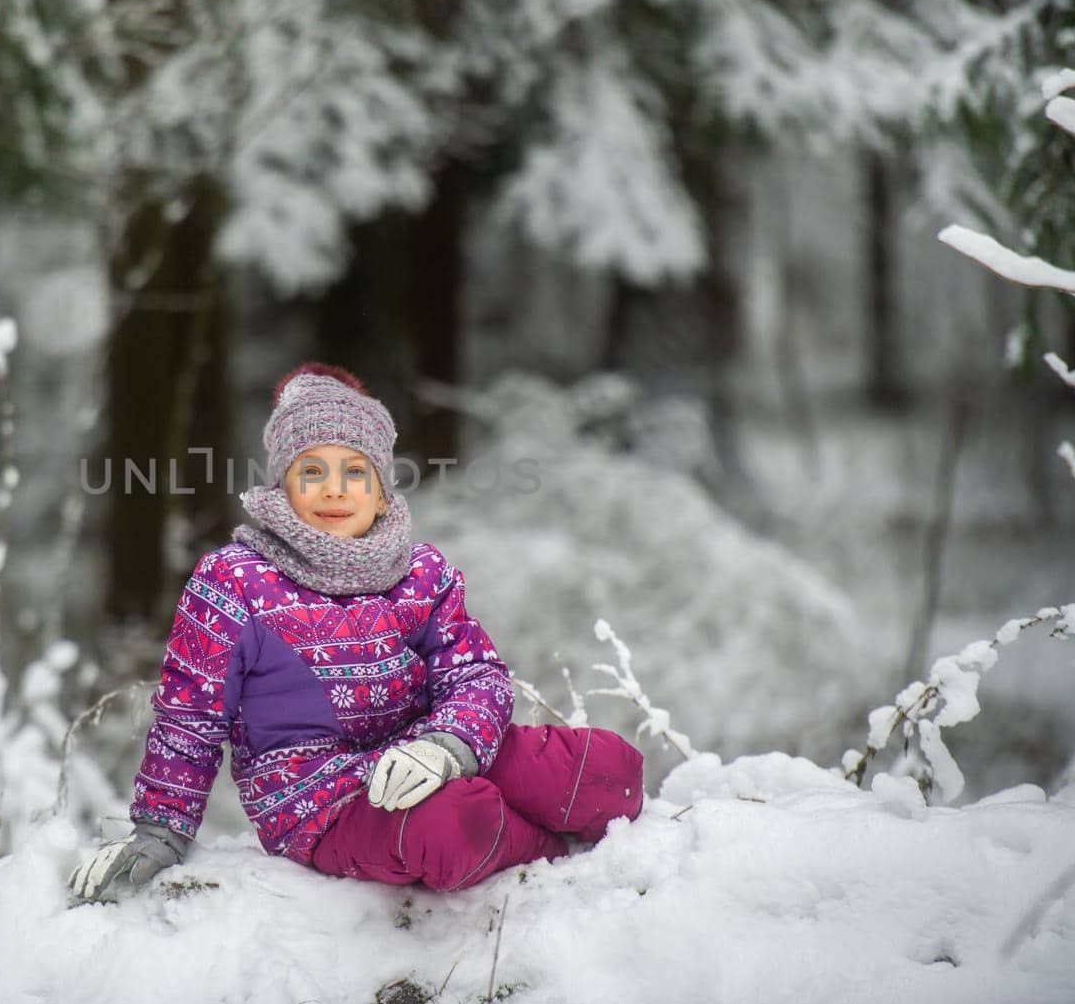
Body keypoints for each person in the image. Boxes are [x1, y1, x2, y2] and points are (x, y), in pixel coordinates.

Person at [69, 362, 644, 901]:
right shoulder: (233, 581)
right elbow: (188, 718)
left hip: (432, 750)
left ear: (380, 487)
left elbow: (476, 674)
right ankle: (552, 857)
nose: (335, 489)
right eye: (311, 471)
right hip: (323, 800)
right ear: (282, 486)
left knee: (608, 772)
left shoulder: (419, 571)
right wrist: (159, 832)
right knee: (458, 824)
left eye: (354, 471)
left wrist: (448, 746)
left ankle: (512, 808)